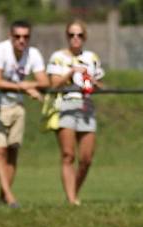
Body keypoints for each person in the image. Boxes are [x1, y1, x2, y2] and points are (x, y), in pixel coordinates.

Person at [0, 20, 49, 208]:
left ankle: (3, 197)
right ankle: (10, 198)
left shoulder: (33, 54)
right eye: (17, 36)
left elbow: (44, 81)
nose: (21, 41)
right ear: (10, 37)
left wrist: (27, 86)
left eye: (26, 37)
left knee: (13, 151)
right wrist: (23, 87)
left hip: (16, 105)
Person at [47, 20, 105, 206]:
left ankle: (73, 193)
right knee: (68, 155)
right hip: (65, 105)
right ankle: (72, 200)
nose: (75, 38)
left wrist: (94, 84)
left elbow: (98, 84)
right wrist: (70, 73)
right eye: (71, 35)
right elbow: (53, 84)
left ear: (84, 37)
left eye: (79, 35)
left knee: (86, 158)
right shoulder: (58, 57)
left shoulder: (92, 57)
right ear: (67, 36)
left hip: (86, 107)